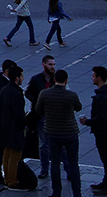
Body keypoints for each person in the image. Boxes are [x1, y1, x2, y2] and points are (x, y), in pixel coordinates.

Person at [37, 69, 84, 197]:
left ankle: (56, 192)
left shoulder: (44, 94)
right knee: (74, 163)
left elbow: (38, 110)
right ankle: (77, 193)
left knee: (55, 164)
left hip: (52, 132)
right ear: (66, 80)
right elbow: (78, 107)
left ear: (54, 80)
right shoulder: (71, 95)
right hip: (70, 132)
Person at [0, 60, 28, 188]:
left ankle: (7, 177)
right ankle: (11, 179)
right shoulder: (15, 92)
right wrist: (24, 120)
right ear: (17, 78)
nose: (23, 78)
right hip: (13, 128)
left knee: (6, 153)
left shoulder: (5, 89)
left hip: (4, 126)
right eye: (22, 76)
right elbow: (18, 114)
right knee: (14, 155)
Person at [82, 66, 107, 196]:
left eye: (93, 76)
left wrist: (88, 122)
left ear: (99, 78)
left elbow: (102, 118)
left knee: (106, 158)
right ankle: (106, 182)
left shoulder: (102, 96)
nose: (92, 78)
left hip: (103, 132)